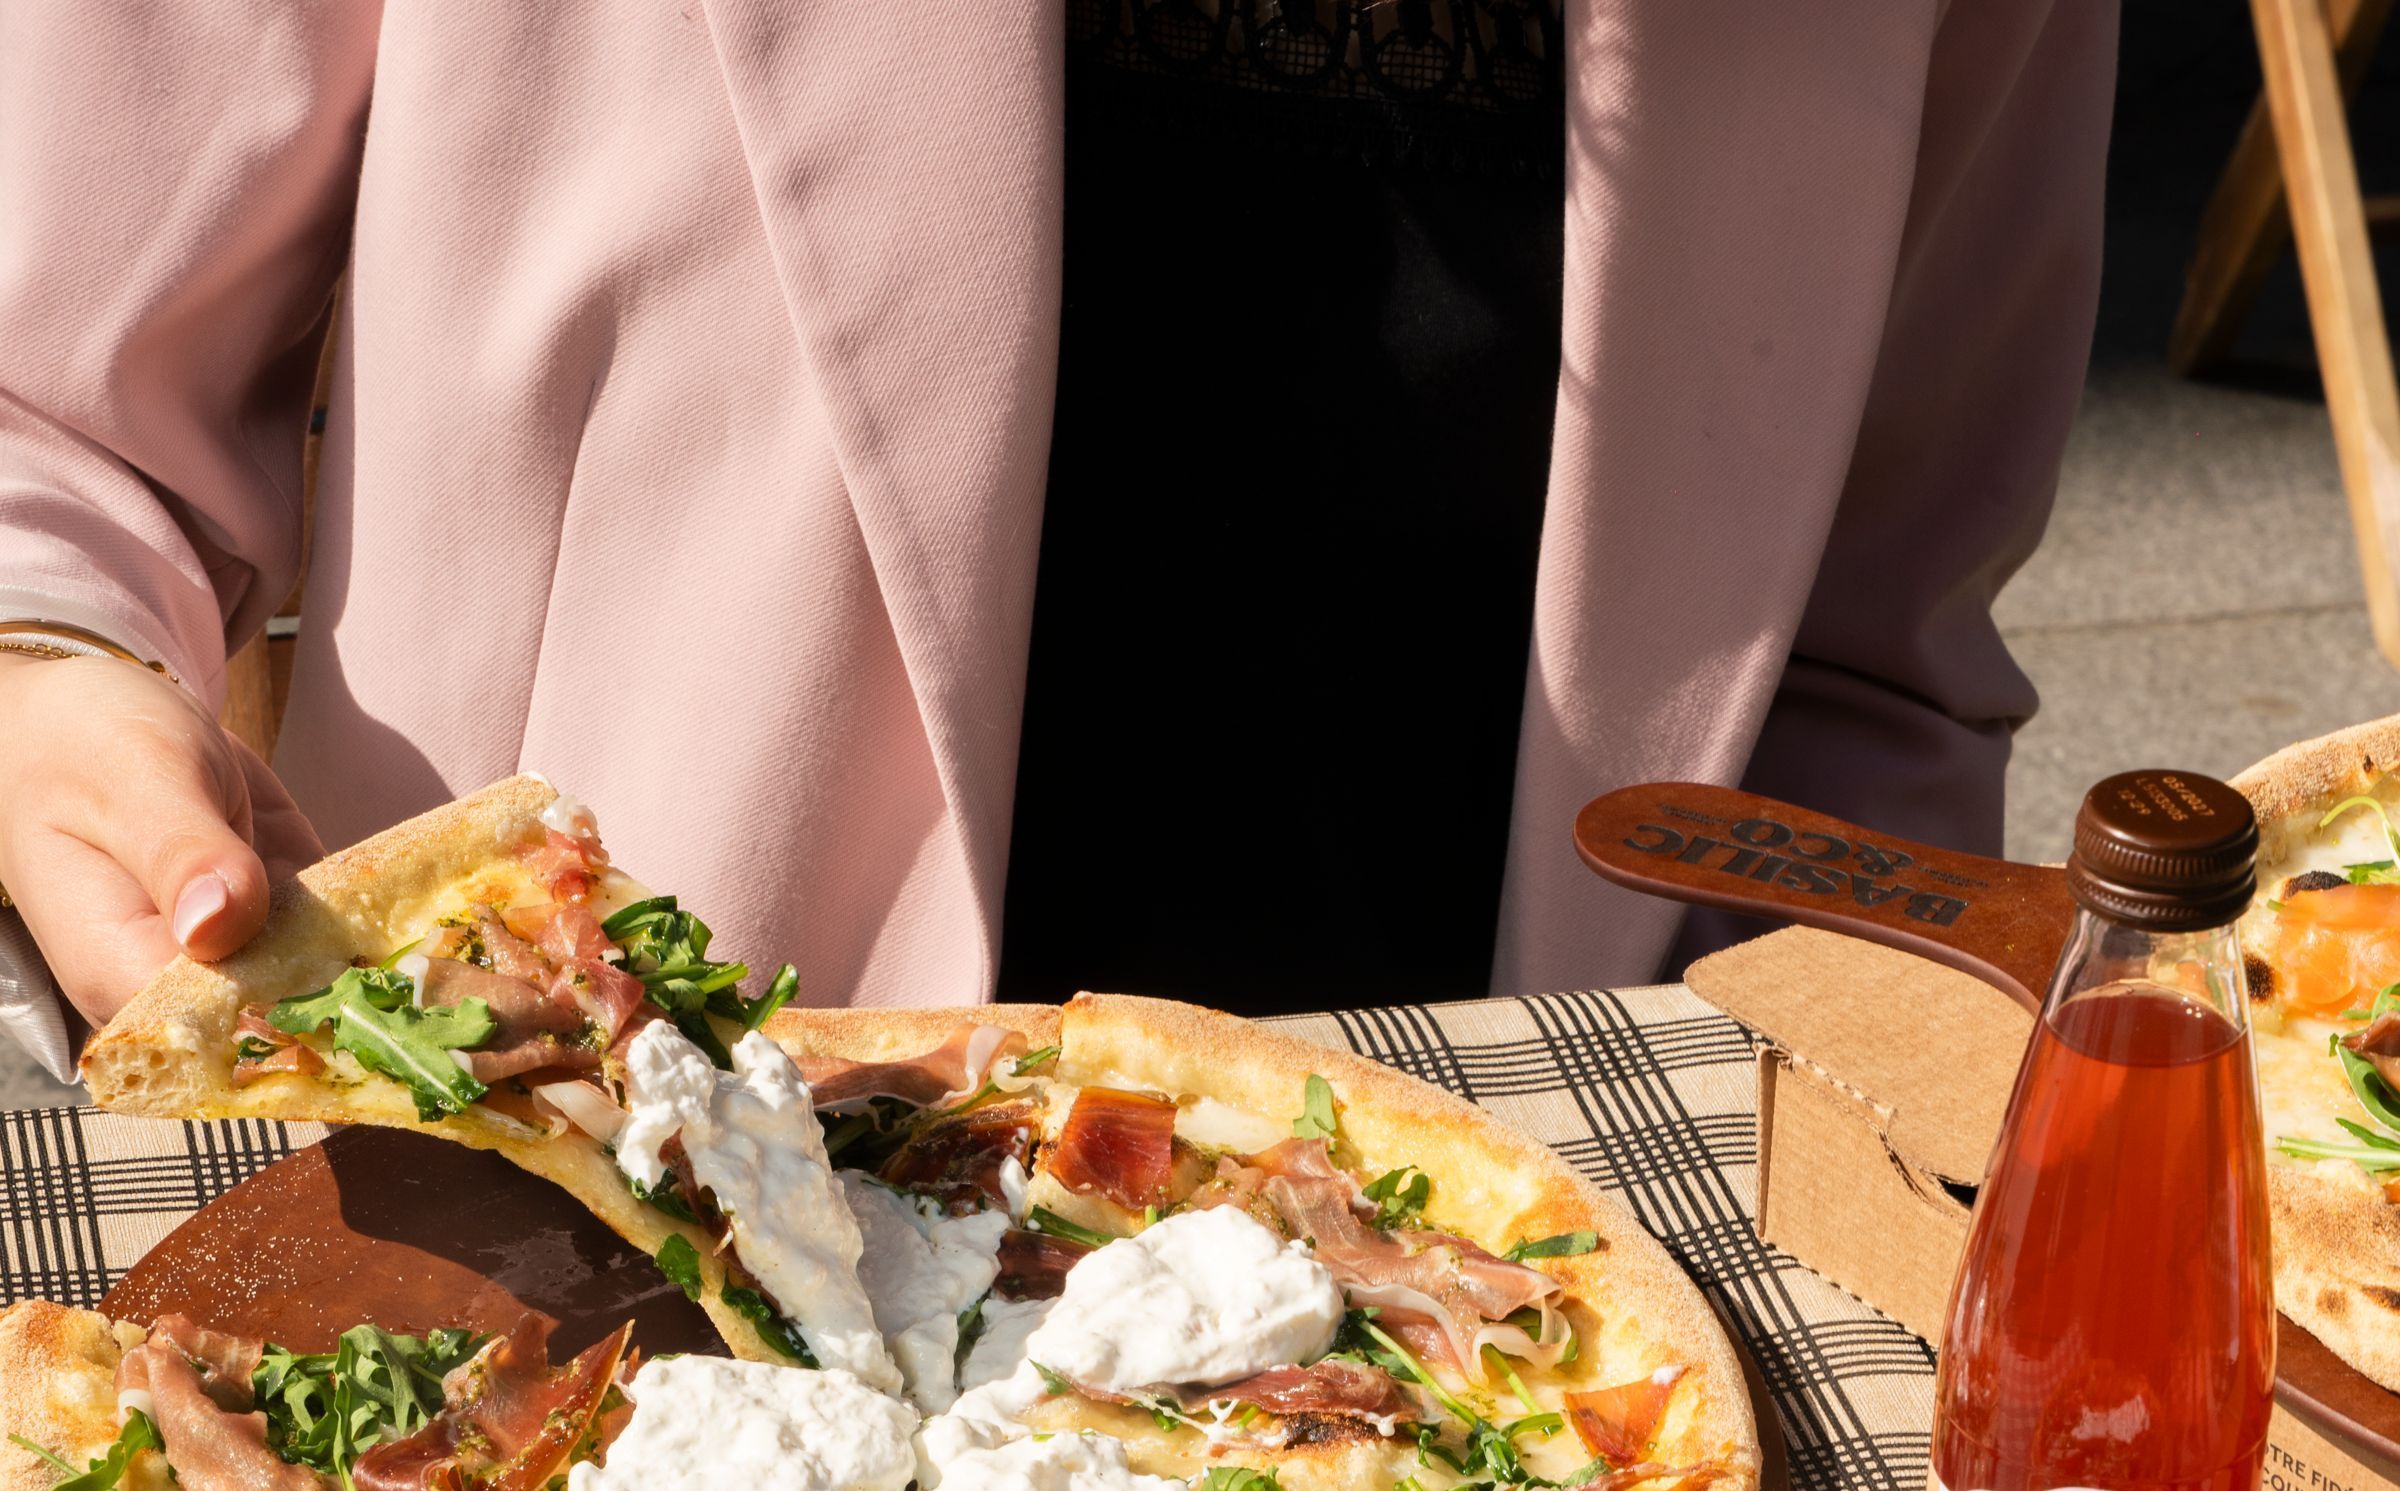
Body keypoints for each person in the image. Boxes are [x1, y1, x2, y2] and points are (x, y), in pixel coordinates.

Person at [0, 1, 2114, 1075]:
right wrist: (50, 683)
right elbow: (49, 424)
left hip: (1524, 1358)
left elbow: (1870, 664)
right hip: (592, 1240)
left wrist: (1854, 1134)